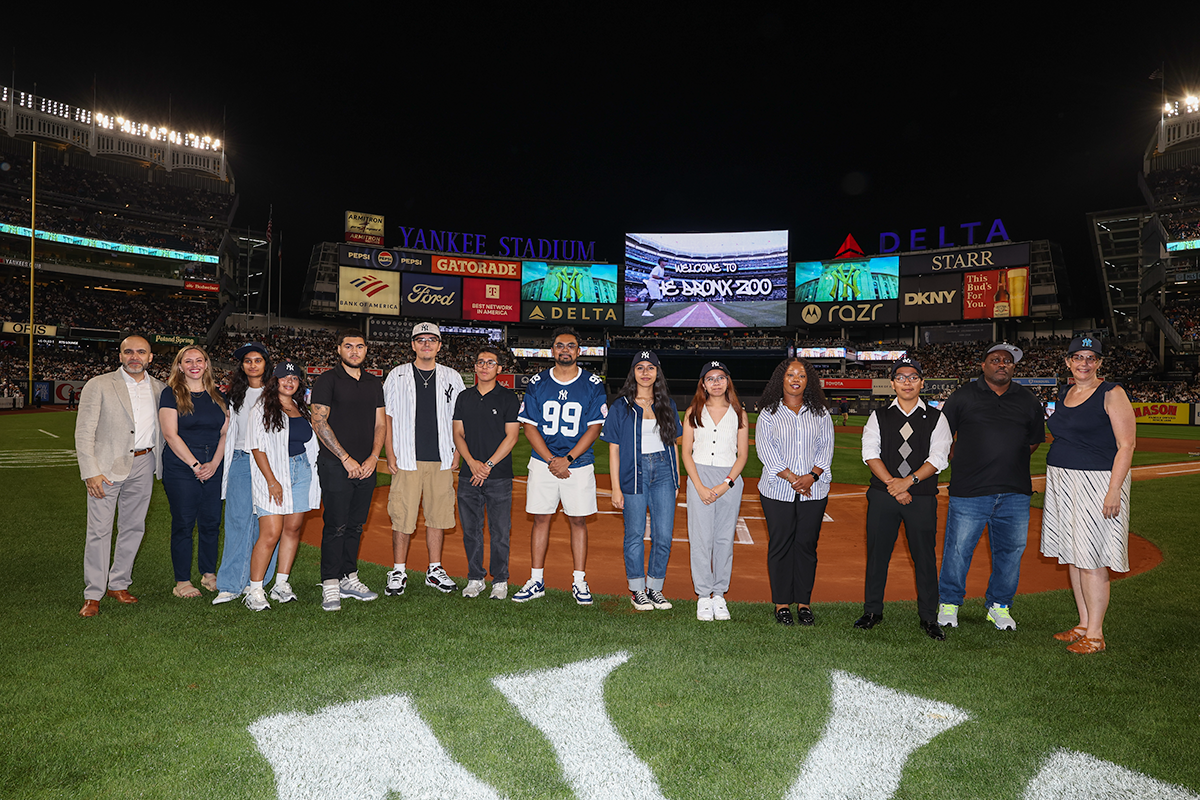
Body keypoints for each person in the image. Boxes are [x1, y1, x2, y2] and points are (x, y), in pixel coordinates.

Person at [937, 343, 1046, 630]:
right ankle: (949, 603)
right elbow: (942, 438)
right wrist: (964, 459)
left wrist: (1005, 458)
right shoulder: (963, 396)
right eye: (995, 359)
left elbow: (1033, 441)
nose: (1002, 364)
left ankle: (999, 605)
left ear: (1013, 367)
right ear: (983, 365)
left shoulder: (1028, 400)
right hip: (969, 490)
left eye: (1007, 361)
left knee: (1010, 551)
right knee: (959, 549)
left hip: (1015, 491)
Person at [1039, 336, 1136, 654]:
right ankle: (1082, 624)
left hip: (1097, 481)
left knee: (1092, 559)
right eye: (1078, 357)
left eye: (1091, 358)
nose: (1084, 363)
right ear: (1068, 362)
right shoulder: (1066, 391)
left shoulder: (1112, 393)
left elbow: (1127, 445)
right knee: (1073, 554)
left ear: (1099, 363)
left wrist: (1113, 491)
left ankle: (1096, 634)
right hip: (1063, 480)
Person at [857, 358, 952, 640]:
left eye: (913, 377)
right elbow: (870, 452)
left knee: (924, 558)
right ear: (893, 383)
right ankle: (872, 610)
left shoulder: (937, 417)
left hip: (921, 496)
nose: (907, 382)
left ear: (922, 382)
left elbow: (938, 458)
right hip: (883, 495)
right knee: (877, 556)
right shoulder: (879, 416)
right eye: (901, 377)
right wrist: (893, 485)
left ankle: (928, 617)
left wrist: (907, 483)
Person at [514, 326, 608, 605]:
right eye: (559, 345)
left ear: (578, 351)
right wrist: (550, 460)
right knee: (541, 518)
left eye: (570, 346)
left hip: (577, 464)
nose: (564, 350)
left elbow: (594, 428)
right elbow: (529, 427)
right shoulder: (537, 382)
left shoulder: (592, 383)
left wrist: (567, 459)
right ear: (552, 350)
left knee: (578, 520)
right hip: (544, 462)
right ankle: (536, 579)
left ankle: (579, 580)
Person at [75, 335, 166, 617]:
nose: (134, 356)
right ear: (120, 355)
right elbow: (83, 432)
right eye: (129, 352)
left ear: (151, 357)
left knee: (133, 528)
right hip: (105, 468)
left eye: (141, 352)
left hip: (144, 463)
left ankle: (119, 583)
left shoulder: (160, 389)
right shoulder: (99, 384)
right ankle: (93, 593)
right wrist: (91, 472)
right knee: (99, 532)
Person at [382, 322, 465, 596]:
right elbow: (387, 417)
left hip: (441, 457)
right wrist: (390, 452)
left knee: (438, 516)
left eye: (432, 340)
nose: (426, 344)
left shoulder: (452, 376)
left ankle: (434, 569)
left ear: (440, 346)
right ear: (413, 344)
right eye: (421, 339)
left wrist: (457, 450)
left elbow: (458, 419)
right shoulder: (397, 375)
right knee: (402, 517)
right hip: (406, 457)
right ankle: (398, 569)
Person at [310, 329, 386, 612]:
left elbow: (380, 424)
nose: (355, 351)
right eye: (349, 346)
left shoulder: (373, 382)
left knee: (356, 525)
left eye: (360, 346)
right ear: (338, 350)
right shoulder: (327, 380)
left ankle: (348, 576)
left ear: (367, 350)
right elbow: (320, 423)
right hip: (336, 464)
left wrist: (373, 458)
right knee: (336, 525)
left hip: (366, 466)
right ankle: (330, 582)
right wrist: (345, 458)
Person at [755, 358, 833, 625]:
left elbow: (826, 448)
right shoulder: (769, 412)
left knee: (806, 546)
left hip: (815, 489)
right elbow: (766, 451)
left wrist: (811, 476)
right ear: (782, 379)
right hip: (777, 490)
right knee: (780, 545)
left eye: (801, 374)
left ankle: (804, 603)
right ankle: (781, 604)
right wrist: (792, 477)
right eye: (790, 374)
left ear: (808, 380)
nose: (796, 378)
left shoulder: (820, 412)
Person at [601, 350, 680, 611]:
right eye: (640, 368)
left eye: (650, 367)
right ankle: (637, 590)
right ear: (633, 373)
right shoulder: (621, 406)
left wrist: (676, 478)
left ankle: (655, 588)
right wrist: (615, 488)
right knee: (634, 534)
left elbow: (673, 445)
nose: (645, 372)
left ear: (658, 373)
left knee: (664, 535)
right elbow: (613, 448)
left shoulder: (667, 404)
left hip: (664, 472)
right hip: (634, 472)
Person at [242, 361, 322, 611]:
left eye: (295, 378)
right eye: (284, 377)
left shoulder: (300, 407)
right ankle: (255, 590)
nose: (289, 381)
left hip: (301, 471)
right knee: (270, 532)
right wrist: (272, 481)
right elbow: (256, 446)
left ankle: (281, 584)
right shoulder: (262, 407)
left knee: (293, 528)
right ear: (274, 380)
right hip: (274, 472)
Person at [159, 345, 229, 599]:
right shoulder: (171, 394)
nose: (194, 365)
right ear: (180, 366)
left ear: (207, 364)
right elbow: (170, 434)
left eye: (199, 360)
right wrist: (196, 465)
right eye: (188, 361)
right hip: (182, 465)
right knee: (184, 524)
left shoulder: (219, 395)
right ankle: (182, 581)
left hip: (214, 463)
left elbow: (225, 433)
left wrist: (214, 463)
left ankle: (209, 573)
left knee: (211, 522)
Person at [682, 361, 749, 621]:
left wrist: (725, 484)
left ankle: (719, 594)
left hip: (729, 479)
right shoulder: (692, 411)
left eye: (721, 377)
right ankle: (703, 595)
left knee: (723, 539)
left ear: (728, 382)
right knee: (701, 539)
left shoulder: (739, 413)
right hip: (699, 476)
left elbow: (742, 455)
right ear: (703, 384)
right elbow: (686, 452)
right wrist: (698, 485)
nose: (716, 382)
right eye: (710, 378)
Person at [452, 346, 520, 600]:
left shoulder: (508, 398)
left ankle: (500, 579)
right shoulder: (464, 397)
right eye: (480, 362)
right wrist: (471, 462)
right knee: (471, 529)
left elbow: (512, 437)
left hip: (499, 475)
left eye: (490, 363)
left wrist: (487, 466)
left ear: (499, 368)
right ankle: (475, 577)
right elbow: (458, 433)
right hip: (469, 475)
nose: (484, 366)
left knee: (500, 530)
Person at [213, 342, 275, 605]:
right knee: (238, 522)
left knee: (269, 526)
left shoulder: (276, 393)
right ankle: (229, 585)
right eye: (247, 360)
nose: (252, 364)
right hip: (241, 460)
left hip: (270, 464)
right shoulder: (235, 395)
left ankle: (257, 582)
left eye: (257, 360)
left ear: (265, 364)